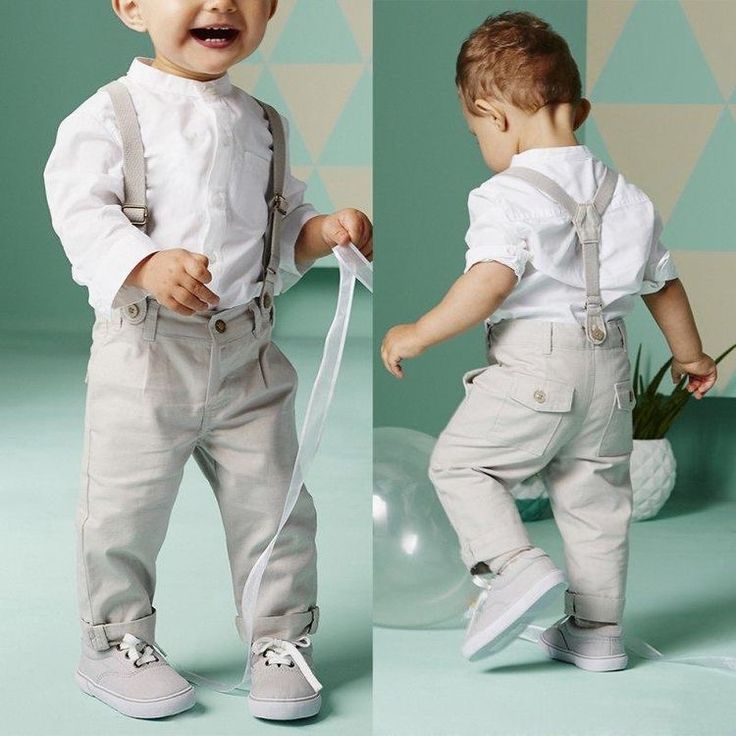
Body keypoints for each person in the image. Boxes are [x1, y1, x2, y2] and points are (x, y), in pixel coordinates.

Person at [43, 0, 372, 721]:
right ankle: (114, 640)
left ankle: (278, 639)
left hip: (248, 353)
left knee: (276, 507)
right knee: (122, 511)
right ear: (131, 7)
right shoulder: (110, 114)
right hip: (147, 351)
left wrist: (321, 233)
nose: (220, 2)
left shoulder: (263, 124)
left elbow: (278, 231)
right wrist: (143, 262)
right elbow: (80, 210)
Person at [380, 10, 716, 673]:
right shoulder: (631, 197)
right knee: (595, 503)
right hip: (610, 372)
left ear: (494, 115)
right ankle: (596, 632)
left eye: (476, 129)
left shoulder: (505, 194)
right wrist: (689, 356)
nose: (480, 141)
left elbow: (490, 283)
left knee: (460, 465)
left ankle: (512, 568)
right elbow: (663, 286)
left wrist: (416, 332)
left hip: (539, 364)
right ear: (574, 105)